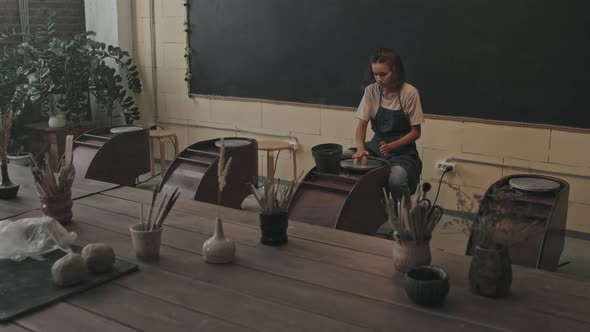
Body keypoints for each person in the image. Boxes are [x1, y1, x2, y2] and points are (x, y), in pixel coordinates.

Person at [345, 48, 424, 200]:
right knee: (343, 158)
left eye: (383, 74)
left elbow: (416, 132)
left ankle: (405, 217)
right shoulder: (371, 91)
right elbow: (362, 125)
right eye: (375, 74)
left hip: (403, 152)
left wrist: (393, 146)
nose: (379, 79)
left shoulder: (409, 93)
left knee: (396, 180)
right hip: (376, 146)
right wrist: (361, 149)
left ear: (395, 72)